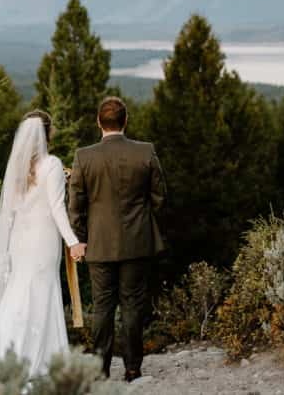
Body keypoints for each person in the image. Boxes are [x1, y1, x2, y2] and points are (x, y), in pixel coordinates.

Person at [0, 110, 86, 376]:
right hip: (43, 242)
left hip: (19, 242)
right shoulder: (52, 165)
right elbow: (57, 209)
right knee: (42, 294)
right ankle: (41, 359)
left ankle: (4, 351)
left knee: (18, 293)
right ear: (48, 133)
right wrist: (73, 242)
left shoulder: (17, 168)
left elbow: (10, 212)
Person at [68, 97, 168, 382]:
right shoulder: (145, 152)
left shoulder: (84, 156)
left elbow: (75, 204)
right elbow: (160, 198)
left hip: (99, 243)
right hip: (137, 242)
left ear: (99, 123)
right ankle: (133, 368)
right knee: (133, 305)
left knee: (102, 307)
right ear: (126, 121)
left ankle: (100, 371)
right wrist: (144, 224)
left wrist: (80, 238)